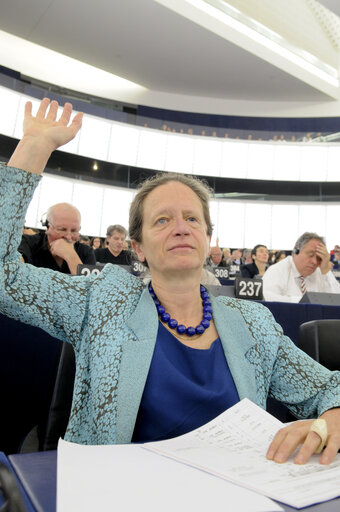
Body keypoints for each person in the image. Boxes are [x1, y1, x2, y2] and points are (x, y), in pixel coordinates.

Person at [1, 99, 340, 465]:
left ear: (208, 239)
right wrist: (34, 148)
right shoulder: (100, 302)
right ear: (139, 248)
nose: (181, 227)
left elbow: (327, 388)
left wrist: (332, 417)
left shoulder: (253, 324)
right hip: (116, 494)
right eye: (162, 220)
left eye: (192, 219)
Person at [19, 202, 95, 275]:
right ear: (48, 227)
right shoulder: (28, 244)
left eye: (74, 231)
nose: (68, 237)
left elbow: (91, 286)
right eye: (62, 230)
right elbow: (15, 274)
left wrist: (71, 257)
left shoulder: (86, 252)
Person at [262, 233, 340, 302]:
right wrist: (305, 301)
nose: (315, 262)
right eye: (310, 255)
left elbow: (337, 301)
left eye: (319, 258)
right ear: (297, 250)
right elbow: (267, 299)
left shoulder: (320, 272)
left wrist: (326, 271)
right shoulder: (277, 270)